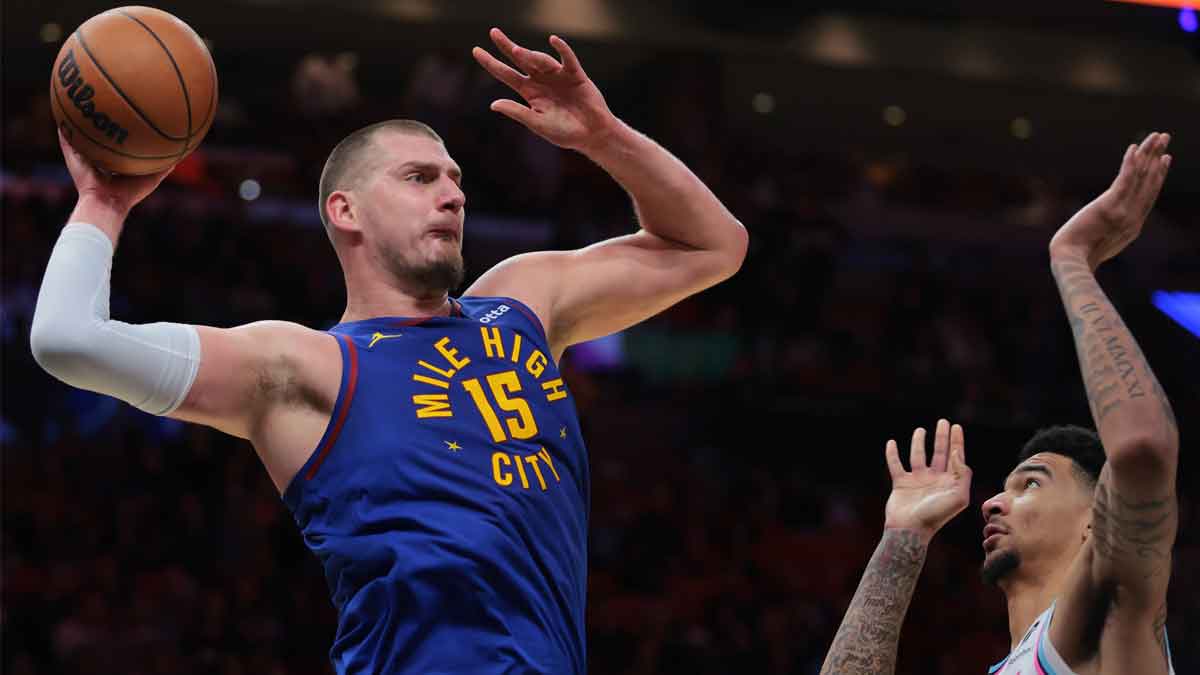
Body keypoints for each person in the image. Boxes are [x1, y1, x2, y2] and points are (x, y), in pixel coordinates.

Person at [30, 29, 747, 674]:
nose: (452, 195)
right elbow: (68, 339)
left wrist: (603, 136)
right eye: (420, 178)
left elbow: (715, 245)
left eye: (457, 180)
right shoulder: (301, 365)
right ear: (345, 210)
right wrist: (104, 201)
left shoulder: (522, 304)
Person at [818, 132, 1178, 675]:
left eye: (1030, 483)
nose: (989, 503)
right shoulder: (1022, 661)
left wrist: (1073, 260)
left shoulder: (1112, 625)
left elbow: (1144, 451)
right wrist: (904, 536)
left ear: (1094, 521)